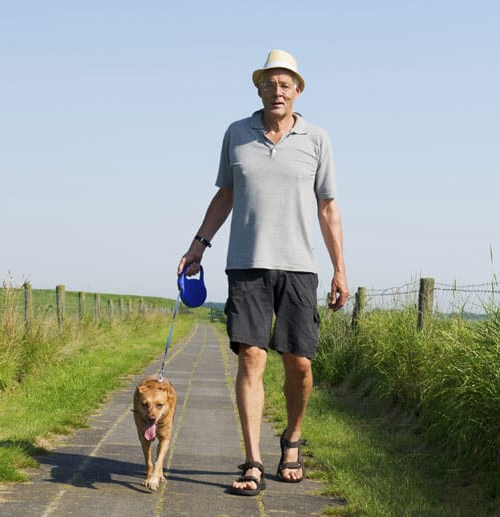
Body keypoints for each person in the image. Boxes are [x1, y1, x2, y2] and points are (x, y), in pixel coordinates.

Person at [177, 49, 349, 496]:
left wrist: (339, 271)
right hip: (246, 265)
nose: (277, 90)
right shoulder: (237, 134)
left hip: (299, 268)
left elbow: (328, 208)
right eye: (270, 83)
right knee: (252, 357)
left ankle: (291, 439)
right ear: (259, 89)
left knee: (300, 363)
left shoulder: (317, 139)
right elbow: (225, 196)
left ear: (297, 91)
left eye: (285, 83)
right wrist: (198, 246)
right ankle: (252, 460)